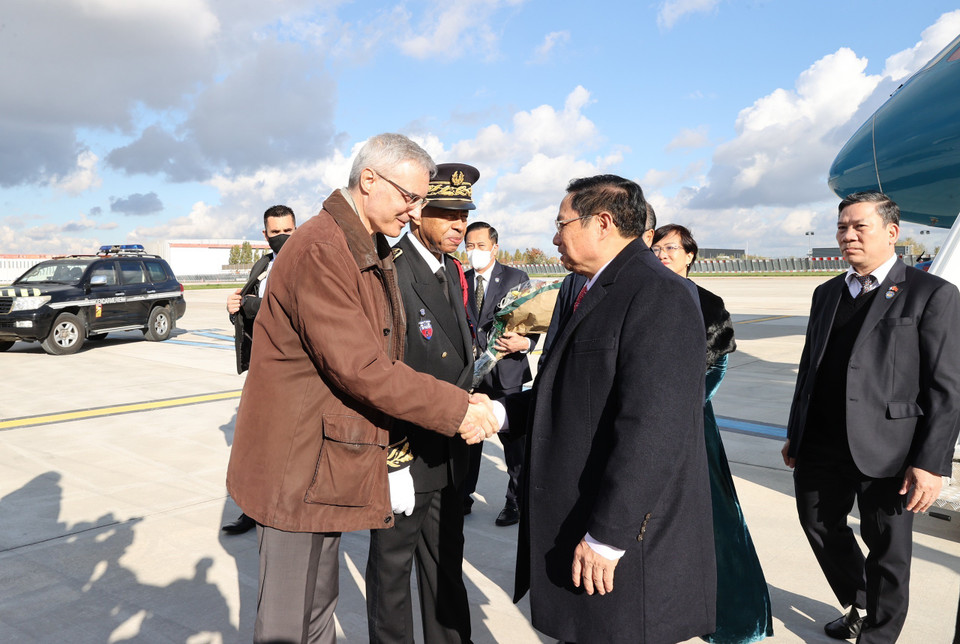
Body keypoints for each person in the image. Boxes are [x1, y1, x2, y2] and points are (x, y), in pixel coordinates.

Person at [225, 134, 499, 644]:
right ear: (369, 180)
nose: (415, 211)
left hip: (319, 466)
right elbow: (364, 368)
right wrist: (458, 409)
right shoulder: (322, 250)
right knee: (291, 623)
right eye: (409, 197)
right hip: (296, 468)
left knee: (314, 615)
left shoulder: (357, 244)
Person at [514, 174, 716, 643]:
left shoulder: (655, 293)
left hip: (624, 539)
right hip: (586, 516)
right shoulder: (596, 286)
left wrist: (608, 536)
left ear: (601, 223)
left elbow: (654, 427)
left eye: (561, 223)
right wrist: (502, 413)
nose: (554, 236)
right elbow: (573, 392)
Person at [782, 191, 960, 643]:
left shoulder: (931, 294)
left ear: (892, 233)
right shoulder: (827, 294)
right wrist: (795, 432)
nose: (848, 235)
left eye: (860, 226)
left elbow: (947, 387)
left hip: (893, 449)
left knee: (888, 550)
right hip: (822, 441)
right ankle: (862, 600)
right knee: (817, 523)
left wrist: (932, 462)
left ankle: (877, 636)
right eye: (843, 227)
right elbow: (809, 367)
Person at [365, 163, 479, 643]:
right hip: (409, 458)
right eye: (446, 213)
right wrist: (392, 462)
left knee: (446, 570)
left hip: (451, 454)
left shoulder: (451, 270)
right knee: (392, 577)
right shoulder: (390, 271)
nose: (459, 225)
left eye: (464, 214)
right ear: (415, 212)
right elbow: (380, 374)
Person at [652, 223, 774, 644]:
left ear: (690, 255)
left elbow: (716, 367)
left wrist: (678, 407)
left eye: (671, 248)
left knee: (714, 516)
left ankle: (732, 615)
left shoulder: (707, 303)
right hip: (642, 418)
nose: (663, 254)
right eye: (657, 248)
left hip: (690, 421)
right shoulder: (644, 295)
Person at [222, 204, 297, 536]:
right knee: (255, 445)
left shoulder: (306, 264)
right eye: (275, 232)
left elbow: (290, 310)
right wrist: (234, 308)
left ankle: (285, 510)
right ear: (264, 235)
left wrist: (250, 305)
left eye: (288, 231)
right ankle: (252, 510)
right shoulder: (264, 264)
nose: (282, 238)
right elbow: (250, 310)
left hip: (292, 372)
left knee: (289, 447)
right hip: (262, 369)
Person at [461, 221, 536, 526]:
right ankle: (463, 496)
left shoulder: (516, 278)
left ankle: (515, 501)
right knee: (468, 438)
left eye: (480, 246)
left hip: (506, 371)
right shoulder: (460, 279)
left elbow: (533, 320)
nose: (474, 252)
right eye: (469, 246)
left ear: (494, 247)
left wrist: (526, 342)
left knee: (513, 442)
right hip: (471, 375)